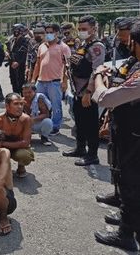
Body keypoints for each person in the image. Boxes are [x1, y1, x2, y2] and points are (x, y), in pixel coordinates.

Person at [92, 20, 140, 252]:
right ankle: (129, 220)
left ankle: (125, 234)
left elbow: (106, 98)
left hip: (135, 137)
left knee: (132, 183)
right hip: (128, 132)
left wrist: (98, 77)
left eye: (127, 39)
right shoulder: (134, 64)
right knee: (126, 179)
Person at [62, 15, 105, 166]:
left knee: (91, 124)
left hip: (87, 93)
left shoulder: (97, 47)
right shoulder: (83, 45)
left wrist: (88, 92)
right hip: (77, 91)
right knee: (80, 122)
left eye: (84, 29)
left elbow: (96, 71)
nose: (81, 32)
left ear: (94, 29)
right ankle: (80, 148)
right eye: (79, 29)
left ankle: (92, 155)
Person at [31, 23, 71, 135]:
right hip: (41, 81)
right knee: (39, 104)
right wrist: (33, 79)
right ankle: (41, 125)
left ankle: (55, 126)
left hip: (55, 82)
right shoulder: (41, 47)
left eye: (50, 32)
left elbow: (68, 66)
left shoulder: (64, 47)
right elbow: (38, 64)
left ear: (57, 33)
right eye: (46, 32)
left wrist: (65, 81)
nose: (48, 35)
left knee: (56, 105)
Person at [0, 93, 34, 177]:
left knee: (25, 155)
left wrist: (3, 144)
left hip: (17, 148)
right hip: (2, 149)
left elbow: (26, 142)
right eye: (16, 104)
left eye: (21, 104)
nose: (20, 107)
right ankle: (1, 167)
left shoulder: (26, 119)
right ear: (7, 106)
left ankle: (21, 166)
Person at [7, 24, 29, 94]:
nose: (15, 32)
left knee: (20, 82)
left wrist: (18, 62)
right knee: (14, 82)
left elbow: (24, 53)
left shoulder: (24, 41)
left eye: (16, 31)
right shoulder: (13, 40)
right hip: (12, 64)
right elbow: (11, 51)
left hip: (20, 66)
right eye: (14, 31)